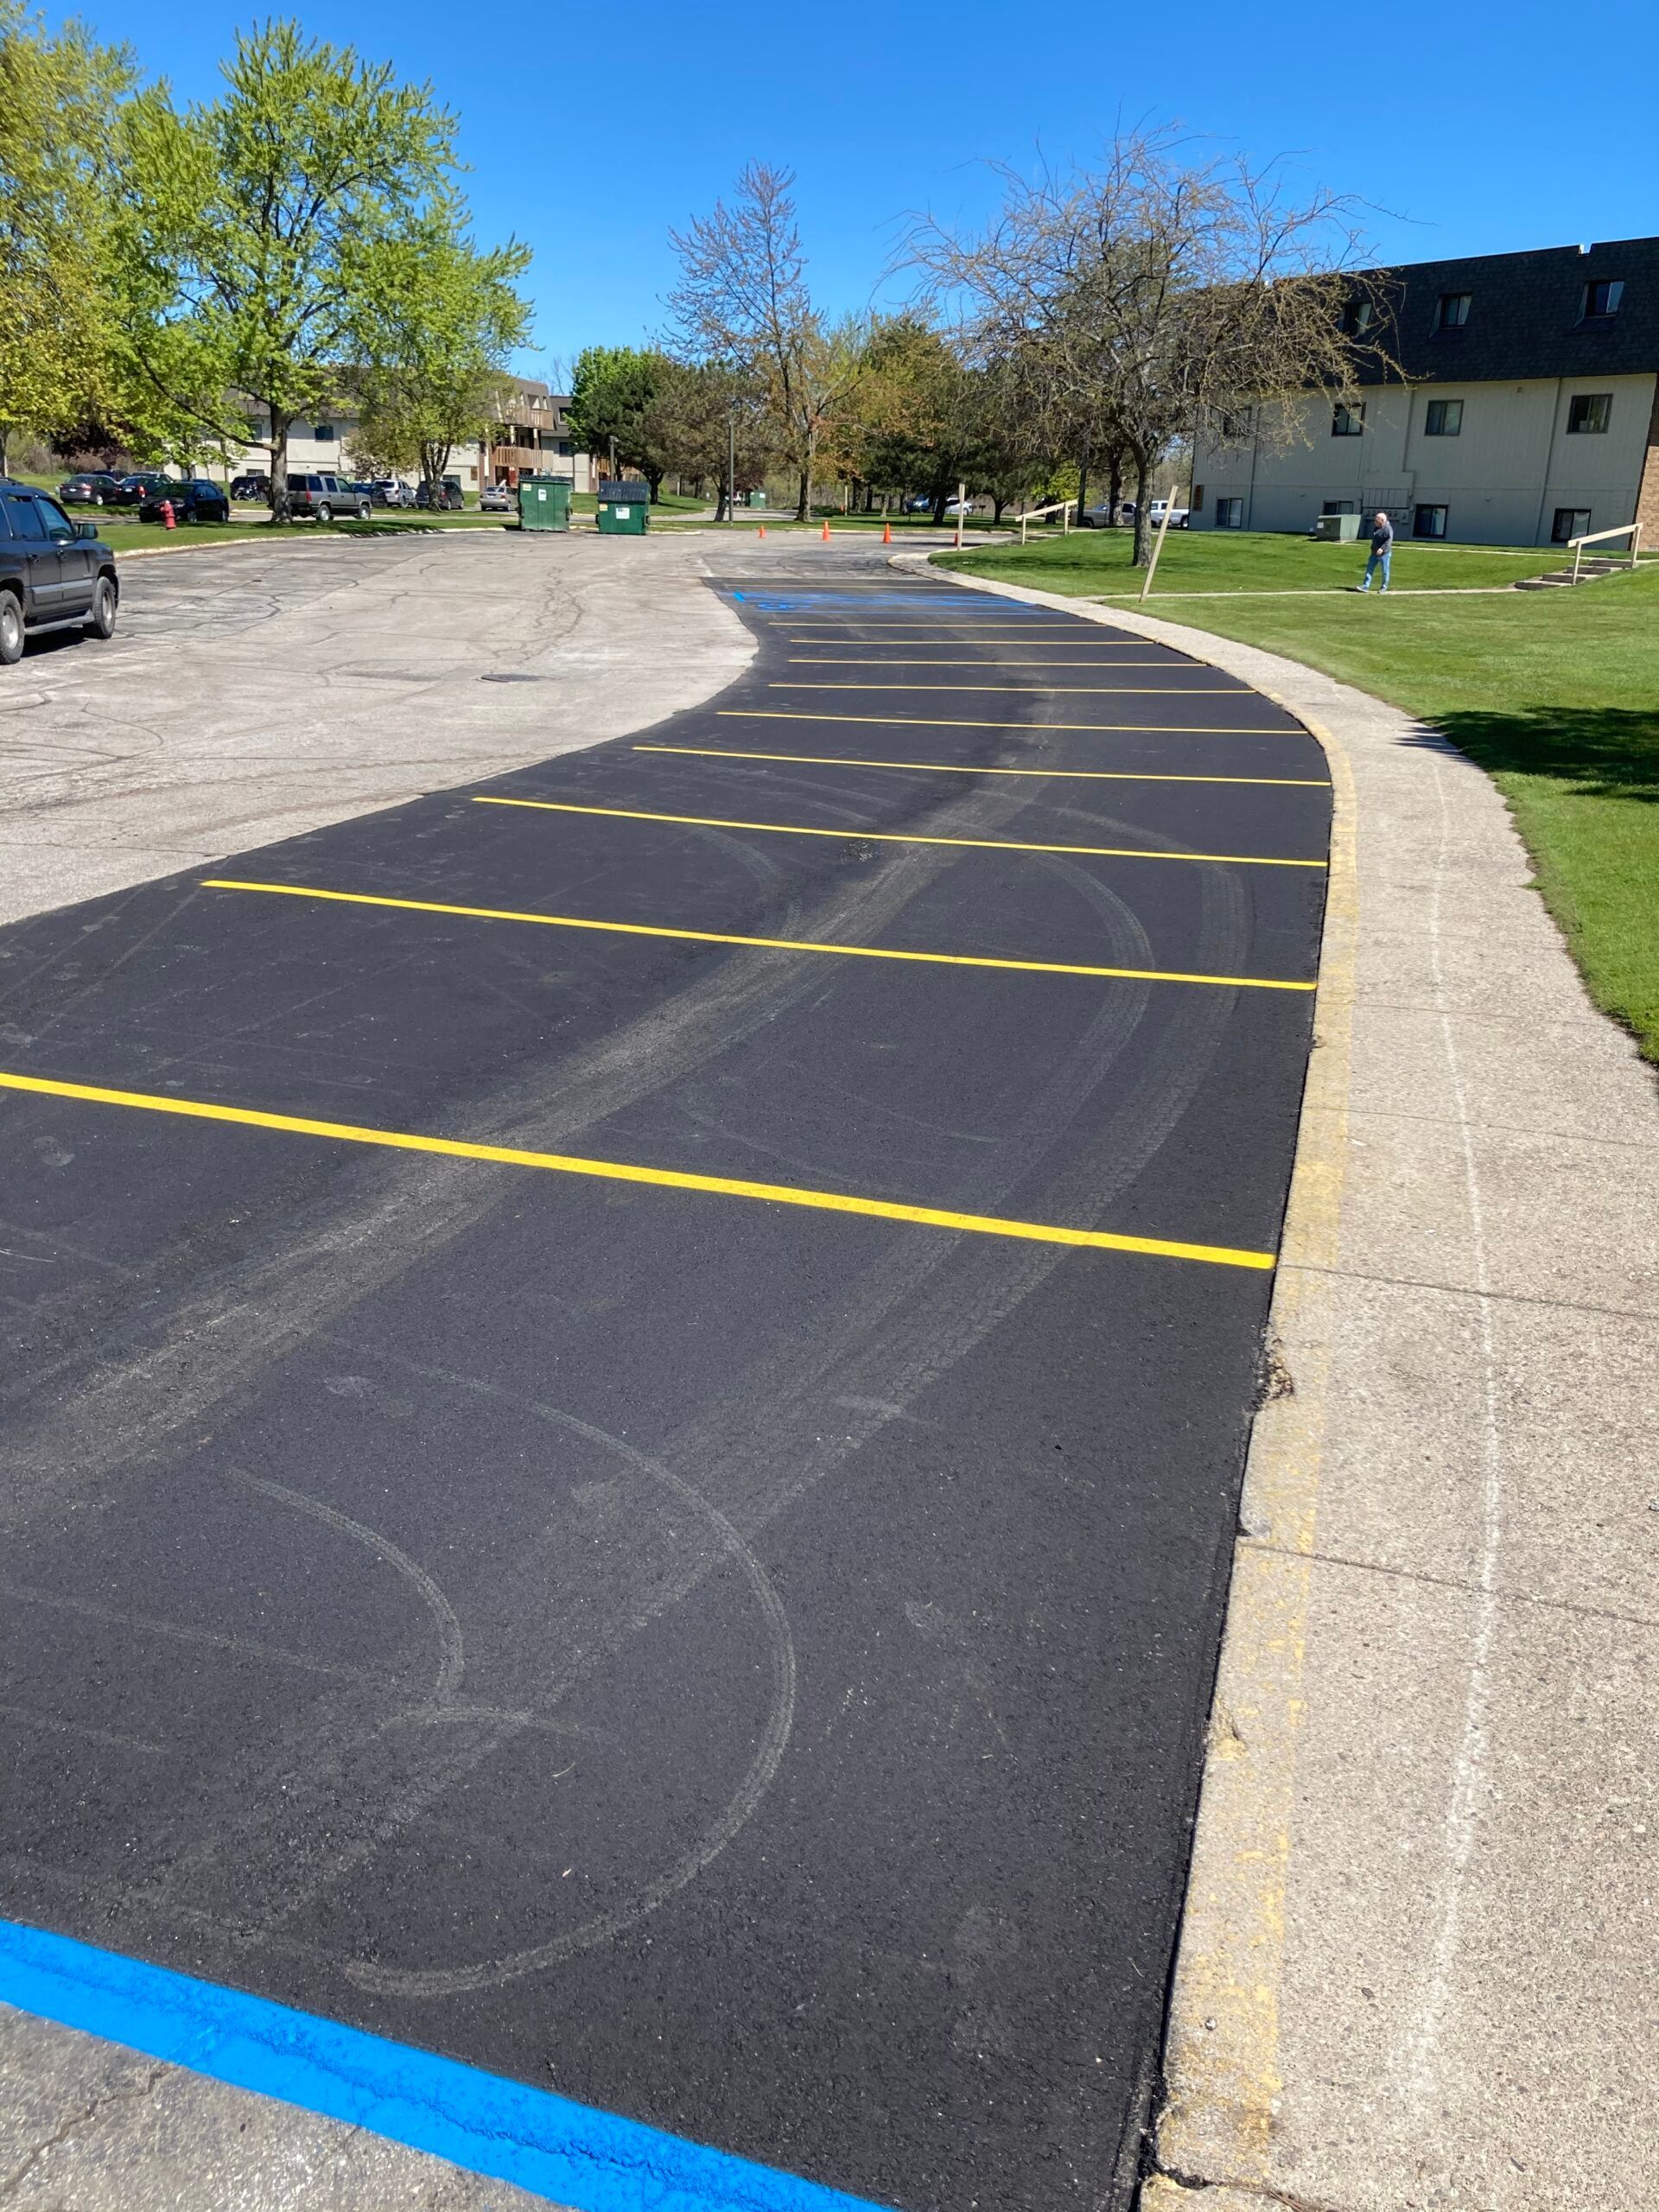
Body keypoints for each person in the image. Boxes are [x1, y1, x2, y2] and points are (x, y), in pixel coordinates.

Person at [1357, 511, 1394, 592]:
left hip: (1384, 554)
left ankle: (1383, 587)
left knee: (1385, 571)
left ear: (1383, 520)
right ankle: (1365, 586)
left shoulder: (1388, 529)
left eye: (1377, 520)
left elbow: (1389, 541)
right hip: (1374, 553)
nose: (1375, 521)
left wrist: (1382, 549)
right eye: (1375, 520)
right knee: (1369, 569)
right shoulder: (1377, 528)